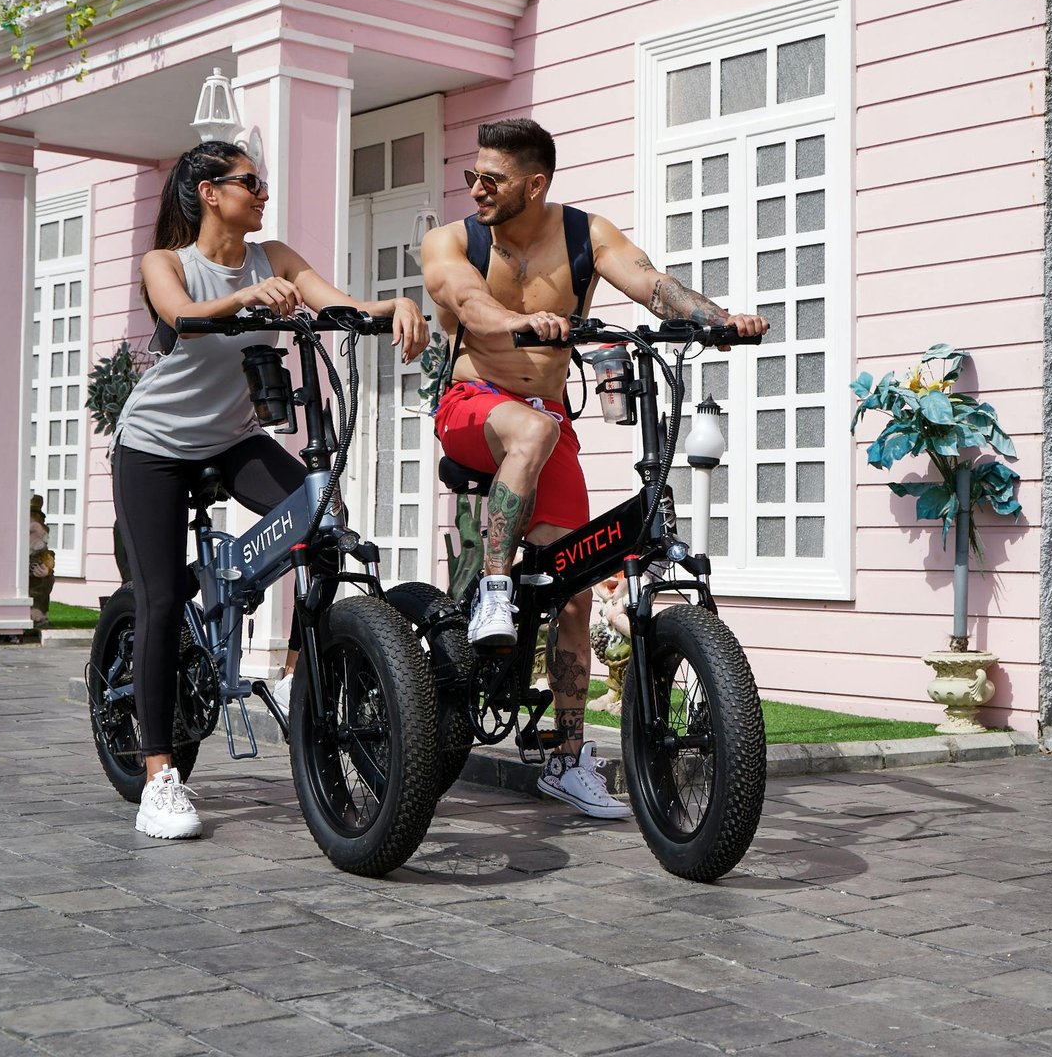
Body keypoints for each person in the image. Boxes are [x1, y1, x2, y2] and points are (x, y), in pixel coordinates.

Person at [420, 118, 767, 818]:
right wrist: (517, 324)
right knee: (528, 428)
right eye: (472, 177)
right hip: (472, 409)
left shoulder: (583, 235)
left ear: (536, 183)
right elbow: (466, 302)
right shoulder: (454, 239)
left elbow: (650, 283)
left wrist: (717, 319)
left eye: (493, 179)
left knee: (575, 589)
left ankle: (569, 758)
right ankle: (492, 589)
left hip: (548, 426)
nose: (478, 189)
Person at [113, 140, 430, 840]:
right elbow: (181, 318)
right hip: (154, 448)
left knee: (322, 518)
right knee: (163, 598)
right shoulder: (169, 263)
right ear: (208, 192)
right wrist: (243, 298)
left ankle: (294, 672)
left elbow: (341, 307)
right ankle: (160, 775)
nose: (262, 194)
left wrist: (396, 306)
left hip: (231, 439)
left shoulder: (276, 256)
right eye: (250, 182)